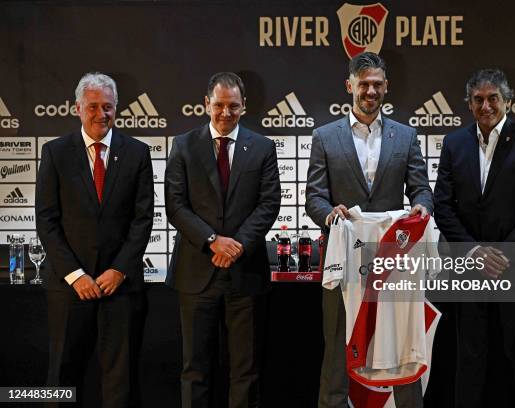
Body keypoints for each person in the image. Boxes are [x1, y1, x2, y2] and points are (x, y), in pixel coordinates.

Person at [306, 52, 433, 408]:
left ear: (386, 87)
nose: (371, 91)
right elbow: (314, 197)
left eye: (377, 84)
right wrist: (330, 213)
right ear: (350, 86)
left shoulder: (405, 136)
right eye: (364, 84)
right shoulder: (325, 136)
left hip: (395, 261)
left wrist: (423, 205)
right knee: (336, 347)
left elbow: (421, 188)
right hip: (344, 260)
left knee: (403, 342)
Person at [434, 68, 515, 408]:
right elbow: (443, 206)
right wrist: (473, 251)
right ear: (469, 104)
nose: (485, 106)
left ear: (507, 101)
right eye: (478, 99)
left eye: (493, 99)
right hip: (469, 271)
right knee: (469, 361)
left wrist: (502, 255)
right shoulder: (454, 143)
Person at [36, 72, 154, 407]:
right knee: (62, 376)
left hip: (121, 287)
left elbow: (142, 219)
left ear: (117, 108)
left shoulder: (137, 153)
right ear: (77, 108)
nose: (101, 114)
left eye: (108, 106)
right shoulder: (56, 153)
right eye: (93, 107)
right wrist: (76, 275)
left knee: (122, 381)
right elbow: (46, 220)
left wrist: (119, 270)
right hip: (68, 288)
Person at [165, 72, 281, 408]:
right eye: (219, 105)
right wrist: (213, 240)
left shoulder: (262, 147)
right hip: (196, 273)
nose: (225, 113)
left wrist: (238, 244)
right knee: (195, 369)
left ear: (244, 106)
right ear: (206, 104)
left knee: (246, 371)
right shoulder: (183, 145)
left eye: (233, 106)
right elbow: (175, 205)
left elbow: (269, 202)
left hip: (246, 274)